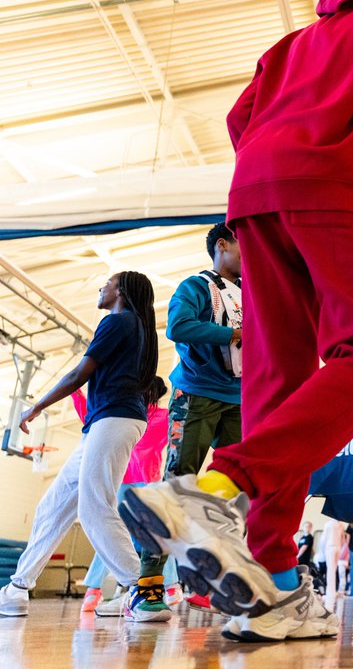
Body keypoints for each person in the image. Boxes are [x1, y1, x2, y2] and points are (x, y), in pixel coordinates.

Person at [119, 0, 353, 642]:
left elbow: (242, 119)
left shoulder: (290, 45)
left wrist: (276, 158)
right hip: (334, 188)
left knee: (277, 380)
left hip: (256, 198)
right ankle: (215, 486)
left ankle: (275, 583)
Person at [0, 272, 157, 619]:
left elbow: (78, 375)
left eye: (108, 283)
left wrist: (37, 406)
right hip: (105, 423)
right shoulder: (135, 327)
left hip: (114, 420)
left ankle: (144, 591)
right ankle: (17, 588)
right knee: (51, 506)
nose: (102, 287)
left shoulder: (118, 321)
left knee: (93, 508)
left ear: (121, 292)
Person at [131, 222, 244, 615]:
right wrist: (231, 335)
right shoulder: (197, 286)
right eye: (245, 246)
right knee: (179, 481)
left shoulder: (252, 293)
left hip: (239, 398)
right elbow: (178, 326)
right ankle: (147, 584)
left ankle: (206, 579)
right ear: (223, 245)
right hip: (196, 393)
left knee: (239, 488)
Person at [77, 378, 178, 617]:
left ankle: (93, 590)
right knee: (156, 535)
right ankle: (171, 587)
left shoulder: (127, 414)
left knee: (111, 533)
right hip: (144, 481)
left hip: (126, 480)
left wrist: (76, 391)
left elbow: (86, 412)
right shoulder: (161, 416)